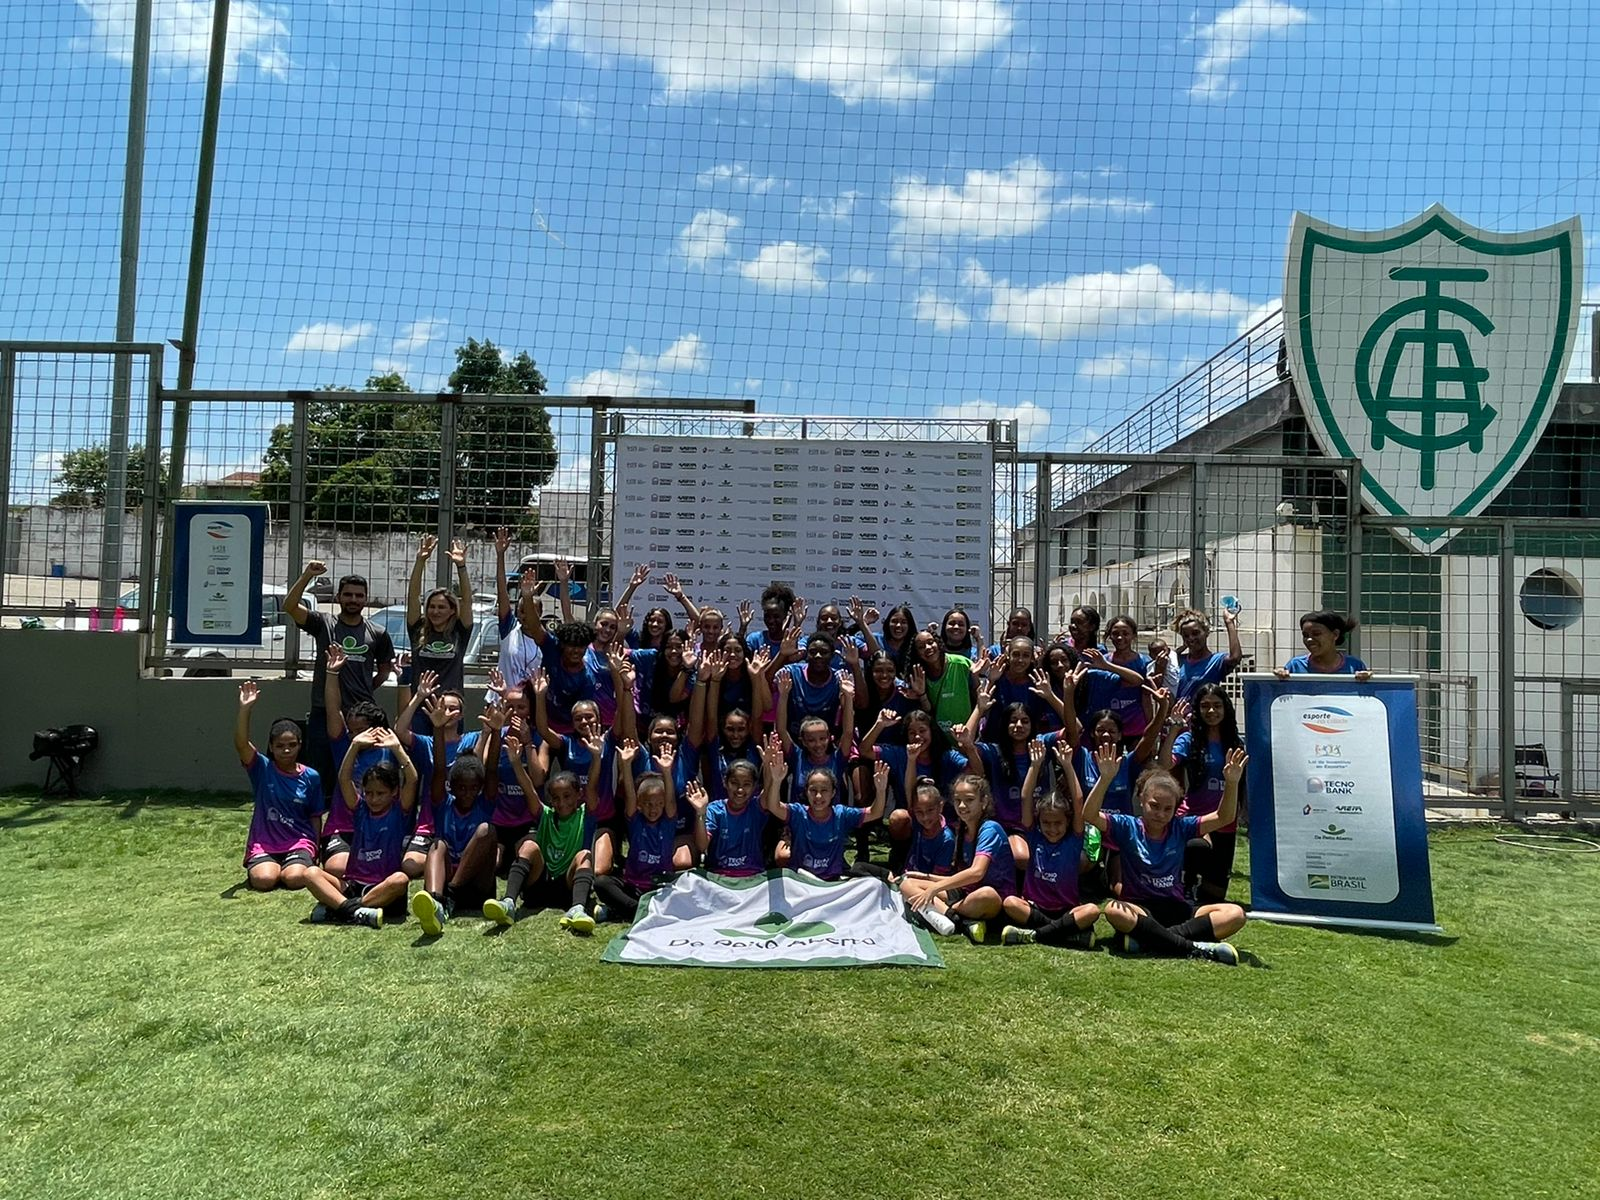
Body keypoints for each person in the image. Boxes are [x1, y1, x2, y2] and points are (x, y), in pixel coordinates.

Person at [1085, 742, 1248, 965]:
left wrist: (1231, 783)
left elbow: (1224, 817)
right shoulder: (1127, 826)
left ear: (1175, 809)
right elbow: (1090, 815)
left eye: (1167, 809)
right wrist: (1105, 779)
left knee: (1235, 914)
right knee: (1114, 910)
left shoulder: (1181, 827)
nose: (1160, 814)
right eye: (1154, 806)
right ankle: (1191, 947)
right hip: (1140, 909)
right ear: (1141, 800)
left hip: (1176, 907)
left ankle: (1150, 940)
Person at [285, 561, 397, 793]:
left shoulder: (377, 632)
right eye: (348, 595)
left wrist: (365, 689)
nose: (353, 599)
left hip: (362, 718)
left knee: (363, 776)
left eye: (358, 595)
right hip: (323, 712)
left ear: (365, 599)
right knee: (320, 773)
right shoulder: (324, 623)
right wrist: (307, 575)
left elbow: (385, 671)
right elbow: (290, 606)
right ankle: (322, 823)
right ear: (338, 597)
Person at [300, 728, 419, 928]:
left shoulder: (400, 811)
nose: (373, 799)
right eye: (369, 793)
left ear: (394, 792)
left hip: (383, 889)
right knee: (310, 874)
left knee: (400, 879)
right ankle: (357, 912)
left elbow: (412, 778)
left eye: (380, 793)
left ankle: (340, 909)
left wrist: (397, 748)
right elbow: (344, 779)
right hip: (352, 885)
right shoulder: (360, 808)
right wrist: (354, 745)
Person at [483, 740, 598, 933]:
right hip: (540, 885)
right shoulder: (545, 815)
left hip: (567, 888)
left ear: (579, 794)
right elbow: (528, 788)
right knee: (529, 845)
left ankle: (577, 909)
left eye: (567, 796)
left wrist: (596, 757)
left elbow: (593, 786)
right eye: (556, 798)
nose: (561, 803)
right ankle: (509, 903)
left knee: (584, 855)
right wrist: (516, 762)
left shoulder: (586, 815)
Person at [999, 742, 1101, 947]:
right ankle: (1064, 934)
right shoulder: (1034, 836)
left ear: (1067, 822)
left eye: (1058, 823)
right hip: (1034, 907)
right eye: (1046, 823)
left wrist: (1068, 766)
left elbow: (1079, 800)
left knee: (1092, 911)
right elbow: (1025, 797)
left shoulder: (1074, 839)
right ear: (1039, 821)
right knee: (1010, 903)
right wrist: (1034, 766)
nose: (1052, 828)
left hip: (1066, 910)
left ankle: (1034, 935)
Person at [898, 774, 1011, 943]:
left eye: (969, 800)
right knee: (908, 883)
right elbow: (960, 878)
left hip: (990, 898)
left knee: (987, 895)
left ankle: (941, 913)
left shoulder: (990, 829)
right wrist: (927, 878)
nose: (962, 805)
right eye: (958, 800)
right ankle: (958, 921)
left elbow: (976, 873)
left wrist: (933, 889)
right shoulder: (963, 830)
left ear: (984, 801)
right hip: (965, 892)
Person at [234, 681, 322, 892]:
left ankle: (294, 865)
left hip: (299, 842)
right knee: (264, 880)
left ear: (300, 745)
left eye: (292, 745)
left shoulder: (311, 776)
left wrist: (316, 849)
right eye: (280, 746)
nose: (286, 750)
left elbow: (315, 816)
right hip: (265, 843)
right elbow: (241, 744)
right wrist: (245, 708)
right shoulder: (262, 769)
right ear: (272, 748)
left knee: (294, 879)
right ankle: (269, 866)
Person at [762, 733, 887, 881]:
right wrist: (776, 781)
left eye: (824, 790)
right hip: (800, 880)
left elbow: (875, 812)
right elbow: (773, 806)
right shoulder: (798, 813)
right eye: (813, 791)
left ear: (833, 792)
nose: (819, 797)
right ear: (806, 792)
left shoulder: (842, 814)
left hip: (832, 881)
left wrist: (880, 790)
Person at [1163, 686, 1245, 905]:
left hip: (1226, 820)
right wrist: (1174, 728)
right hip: (1194, 816)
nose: (1211, 711)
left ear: (1226, 708)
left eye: (1217, 705)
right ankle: (1187, 880)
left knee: (1214, 898)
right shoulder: (1189, 739)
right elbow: (1164, 764)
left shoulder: (1237, 743)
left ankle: (1199, 887)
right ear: (1197, 710)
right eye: (1205, 706)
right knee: (1196, 848)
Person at [408, 752, 499, 935]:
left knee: (486, 830)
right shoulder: (443, 805)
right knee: (438, 844)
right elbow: (440, 770)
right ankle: (436, 904)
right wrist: (438, 727)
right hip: (446, 880)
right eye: (462, 788)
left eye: (473, 788)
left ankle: (450, 894)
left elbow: (491, 769)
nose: (468, 793)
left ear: (480, 788)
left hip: (475, 887)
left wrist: (496, 732)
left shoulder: (484, 805)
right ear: (452, 788)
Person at [589, 742, 679, 923]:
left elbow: (669, 799)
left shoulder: (668, 821)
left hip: (660, 887)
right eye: (648, 804)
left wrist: (667, 772)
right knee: (601, 883)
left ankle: (624, 912)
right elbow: (630, 794)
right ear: (639, 804)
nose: (653, 809)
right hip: (633, 885)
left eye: (658, 804)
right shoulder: (636, 819)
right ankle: (639, 911)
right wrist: (626, 765)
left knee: (686, 883)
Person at [405, 534, 473, 713]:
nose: (435, 611)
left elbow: (467, 600)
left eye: (441, 607)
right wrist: (420, 561)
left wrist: (461, 566)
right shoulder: (417, 628)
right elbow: (413, 597)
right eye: (431, 607)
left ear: (452, 610)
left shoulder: (460, 631)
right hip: (420, 707)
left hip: (451, 708)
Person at [687, 763, 768, 876]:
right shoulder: (714, 809)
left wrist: (769, 767)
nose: (740, 789)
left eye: (746, 784)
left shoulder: (757, 807)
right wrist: (700, 813)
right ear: (725, 782)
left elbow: (769, 791)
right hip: (719, 876)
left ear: (754, 786)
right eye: (734, 783)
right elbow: (702, 846)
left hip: (753, 875)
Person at [491, 529, 544, 700]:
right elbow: (502, 593)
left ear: (541, 614)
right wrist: (500, 556)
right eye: (523, 610)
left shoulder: (545, 640)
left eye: (532, 611)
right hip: (501, 700)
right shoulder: (510, 629)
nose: (527, 615)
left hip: (527, 706)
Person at [904, 629, 976, 729]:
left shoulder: (961, 663)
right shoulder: (918, 675)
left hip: (966, 734)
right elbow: (928, 711)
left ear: (938, 643)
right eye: (921, 647)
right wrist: (921, 694)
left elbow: (978, 694)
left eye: (930, 642)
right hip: (939, 738)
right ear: (917, 654)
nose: (928, 648)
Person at [1172, 607, 1243, 700]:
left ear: (1206, 632)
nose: (1191, 638)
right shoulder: (1179, 661)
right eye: (1186, 636)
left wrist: (1229, 622)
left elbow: (1235, 658)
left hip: (1203, 713)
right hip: (1178, 714)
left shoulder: (1215, 661)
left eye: (1195, 633)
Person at [1276, 611, 1372, 679]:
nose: (1309, 639)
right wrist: (1277, 678)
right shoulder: (1295, 666)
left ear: (1335, 634)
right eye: (1305, 635)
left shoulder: (1354, 666)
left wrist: (1368, 680)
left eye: (1316, 634)